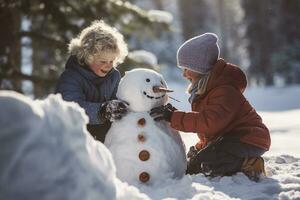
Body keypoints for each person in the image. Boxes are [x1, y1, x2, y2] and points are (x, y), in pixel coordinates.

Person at [150, 33, 271, 181]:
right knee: (195, 165)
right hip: (229, 137)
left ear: (199, 67)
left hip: (248, 138)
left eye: (186, 68)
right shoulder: (207, 89)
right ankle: (222, 158)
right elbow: (215, 128)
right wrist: (202, 147)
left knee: (208, 164)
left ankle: (250, 163)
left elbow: (210, 122)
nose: (184, 74)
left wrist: (173, 116)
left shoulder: (224, 90)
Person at [56, 20, 129, 142]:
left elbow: (119, 100)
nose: (108, 66)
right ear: (87, 58)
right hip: (76, 138)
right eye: (103, 61)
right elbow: (71, 107)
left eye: (111, 61)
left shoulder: (114, 76)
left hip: (104, 138)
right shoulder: (71, 77)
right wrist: (102, 111)